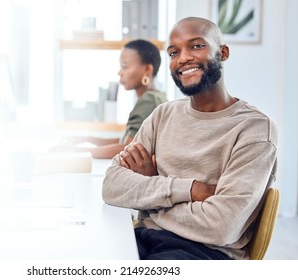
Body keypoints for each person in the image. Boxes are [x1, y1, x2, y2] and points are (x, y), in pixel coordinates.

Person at [102, 17, 278, 260]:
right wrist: (191, 189)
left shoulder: (255, 128)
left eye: (196, 46)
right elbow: (112, 185)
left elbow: (221, 226)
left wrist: (150, 198)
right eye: (174, 52)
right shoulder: (163, 114)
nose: (183, 58)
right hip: (142, 238)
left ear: (223, 52)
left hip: (203, 251)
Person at [52, 39, 167, 159]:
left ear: (147, 69)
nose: (120, 72)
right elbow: (125, 140)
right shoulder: (157, 97)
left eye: (125, 66)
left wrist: (76, 151)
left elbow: (128, 148)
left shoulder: (148, 100)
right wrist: (87, 139)